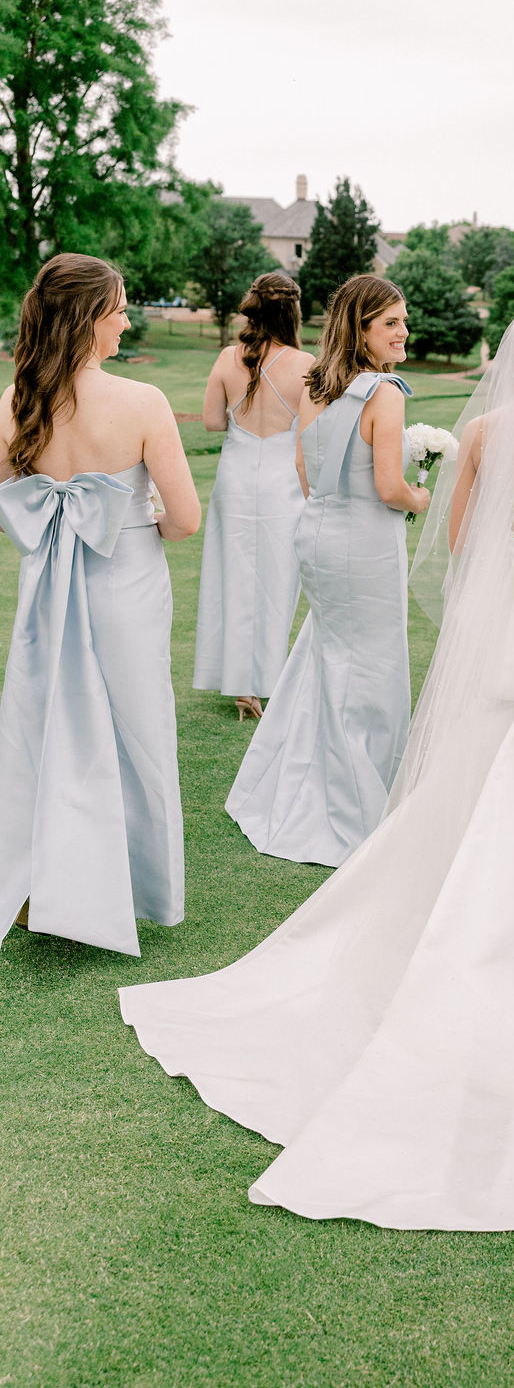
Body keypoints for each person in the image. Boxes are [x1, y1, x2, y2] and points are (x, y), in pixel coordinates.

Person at [119, 302, 514, 1230]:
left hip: (501, 614)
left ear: (510, 358)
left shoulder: (483, 432)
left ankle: (456, 891)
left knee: (483, 754)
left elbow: (464, 542)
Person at [0, 254, 200, 955]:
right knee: (137, 732)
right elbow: (186, 519)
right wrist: (135, 523)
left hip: (47, 586)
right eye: (118, 309)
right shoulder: (142, 402)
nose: (126, 322)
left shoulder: (14, 400)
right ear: (88, 318)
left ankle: (38, 886)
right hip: (126, 583)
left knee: (47, 729)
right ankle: (142, 890)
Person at [224, 275, 428, 866]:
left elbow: (302, 468)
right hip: (365, 544)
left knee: (328, 656)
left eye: (403, 320)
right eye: (390, 322)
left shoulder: (317, 386)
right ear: (360, 328)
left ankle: (302, 785)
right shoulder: (385, 393)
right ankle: (355, 801)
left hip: (317, 534)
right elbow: (389, 488)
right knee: (372, 667)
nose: (403, 331)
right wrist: (420, 497)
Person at [193, 273, 313, 720]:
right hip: (283, 481)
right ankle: (266, 680)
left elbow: (211, 421)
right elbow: (310, 435)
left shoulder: (228, 357)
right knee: (278, 580)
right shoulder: (306, 364)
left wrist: (243, 414)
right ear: (293, 312)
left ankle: (240, 685)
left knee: (232, 575)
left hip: (236, 478)